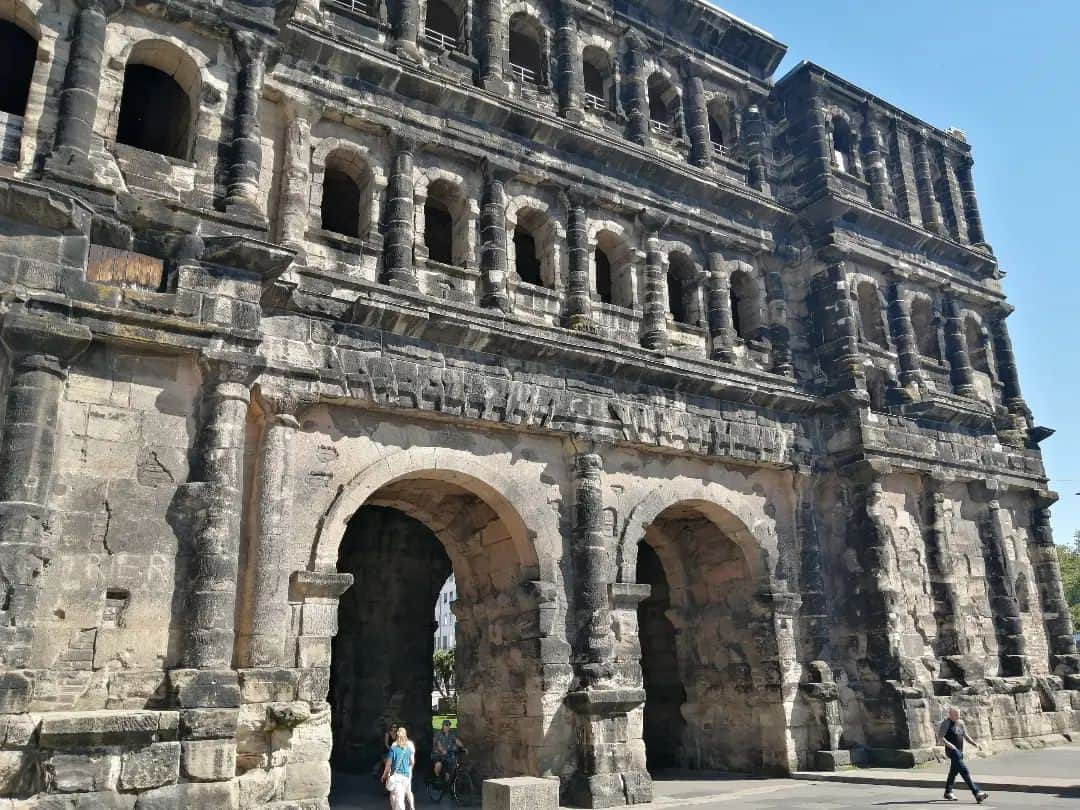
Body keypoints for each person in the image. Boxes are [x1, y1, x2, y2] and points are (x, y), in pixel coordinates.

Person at [937, 707, 989, 804]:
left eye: (959, 714)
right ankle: (977, 792)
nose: (958, 716)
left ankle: (948, 792)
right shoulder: (946, 723)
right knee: (964, 771)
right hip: (952, 751)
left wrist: (975, 744)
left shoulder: (960, 723)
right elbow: (940, 737)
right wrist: (950, 745)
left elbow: (965, 735)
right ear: (950, 714)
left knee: (953, 772)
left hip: (959, 752)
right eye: (956, 714)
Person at [382, 726, 416, 810]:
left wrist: (384, 775)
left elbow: (388, 764)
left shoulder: (393, 747)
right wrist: (409, 769)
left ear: (397, 736)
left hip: (396, 775)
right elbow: (412, 762)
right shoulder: (409, 748)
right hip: (406, 775)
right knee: (405, 793)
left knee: (397, 797)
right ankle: (411, 806)